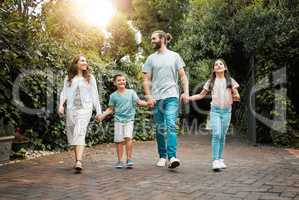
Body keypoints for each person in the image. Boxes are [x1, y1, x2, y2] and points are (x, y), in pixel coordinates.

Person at [142, 30, 189, 169]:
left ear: (162, 39)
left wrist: (185, 92)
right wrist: (148, 96)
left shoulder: (175, 56)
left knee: (170, 125)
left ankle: (172, 156)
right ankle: (162, 156)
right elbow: (146, 79)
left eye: (154, 38)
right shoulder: (150, 58)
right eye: (151, 39)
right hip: (156, 98)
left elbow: (182, 76)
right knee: (160, 128)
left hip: (172, 96)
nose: (152, 41)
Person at [188, 58, 240, 171]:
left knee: (222, 135)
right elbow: (201, 95)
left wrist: (236, 96)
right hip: (215, 111)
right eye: (216, 64)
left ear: (225, 67)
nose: (218, 65)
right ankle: (215, 160)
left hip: (227, 111)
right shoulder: (210, 82)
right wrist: (189, 98)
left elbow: (237, 95)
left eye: (221, 64)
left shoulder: (230, 81)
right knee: (216, 134)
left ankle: (220, 159)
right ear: (213, 69)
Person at [58, 54, 102, 172]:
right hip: (71, 110)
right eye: (82, 61)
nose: (85, 62)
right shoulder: (69, 78)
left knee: (80, 131)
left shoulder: (90, 78)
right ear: (76, 63)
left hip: (85, 109)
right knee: (73, 134)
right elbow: (64, 93)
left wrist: (98, 111)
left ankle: (79, 161)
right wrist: (61, 105)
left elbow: (95, 95)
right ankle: (77, 159)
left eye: (86, 61)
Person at [96, 74, 148, 169]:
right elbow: (111, 109)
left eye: (123, 80)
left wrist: (148, 103)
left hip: (129, 120)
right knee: (119, 141)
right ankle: (119, 161)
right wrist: (103, 115)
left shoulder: (131, 92)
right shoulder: (113, 96)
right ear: (115, 83)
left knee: (128, 138)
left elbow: (139, 102)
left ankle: (129, 159)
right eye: (119, 80)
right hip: (118, 120)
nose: (122, 82)